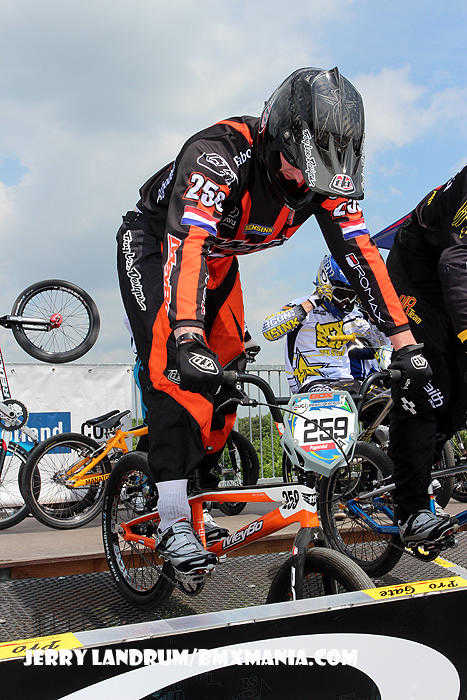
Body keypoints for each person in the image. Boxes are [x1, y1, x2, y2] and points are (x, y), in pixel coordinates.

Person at [117, 66, 433, 580]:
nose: (304, 186)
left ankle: (194, 486)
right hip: (158, 245)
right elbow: (189, 244)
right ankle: (171, 516)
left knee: (228, 378)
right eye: (297, 170)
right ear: (275, 139)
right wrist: (188, 335)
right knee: (175, 367)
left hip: (218, 262)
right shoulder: (217, 154)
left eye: (318, 179)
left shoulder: (326, 179)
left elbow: (362, 254)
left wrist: (405, 342)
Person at [374, 166, 467, 545]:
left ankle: (423, 455)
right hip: (415, 273)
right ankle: (411, 510)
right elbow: (455, 264)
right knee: (428, 379)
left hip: (449, 275)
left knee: (458, 401)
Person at [262, 255, 389, 395]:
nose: (346, 301)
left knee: (387, 398)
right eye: (341, 294)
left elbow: (380, 344)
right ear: (325, 285)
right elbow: (269, 331)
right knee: (334, 398)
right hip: (310, 382)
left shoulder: (352, 315)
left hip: (347, 383)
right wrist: (310, 304)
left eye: (352, 296)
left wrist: (373, 317)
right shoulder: (301, 305)